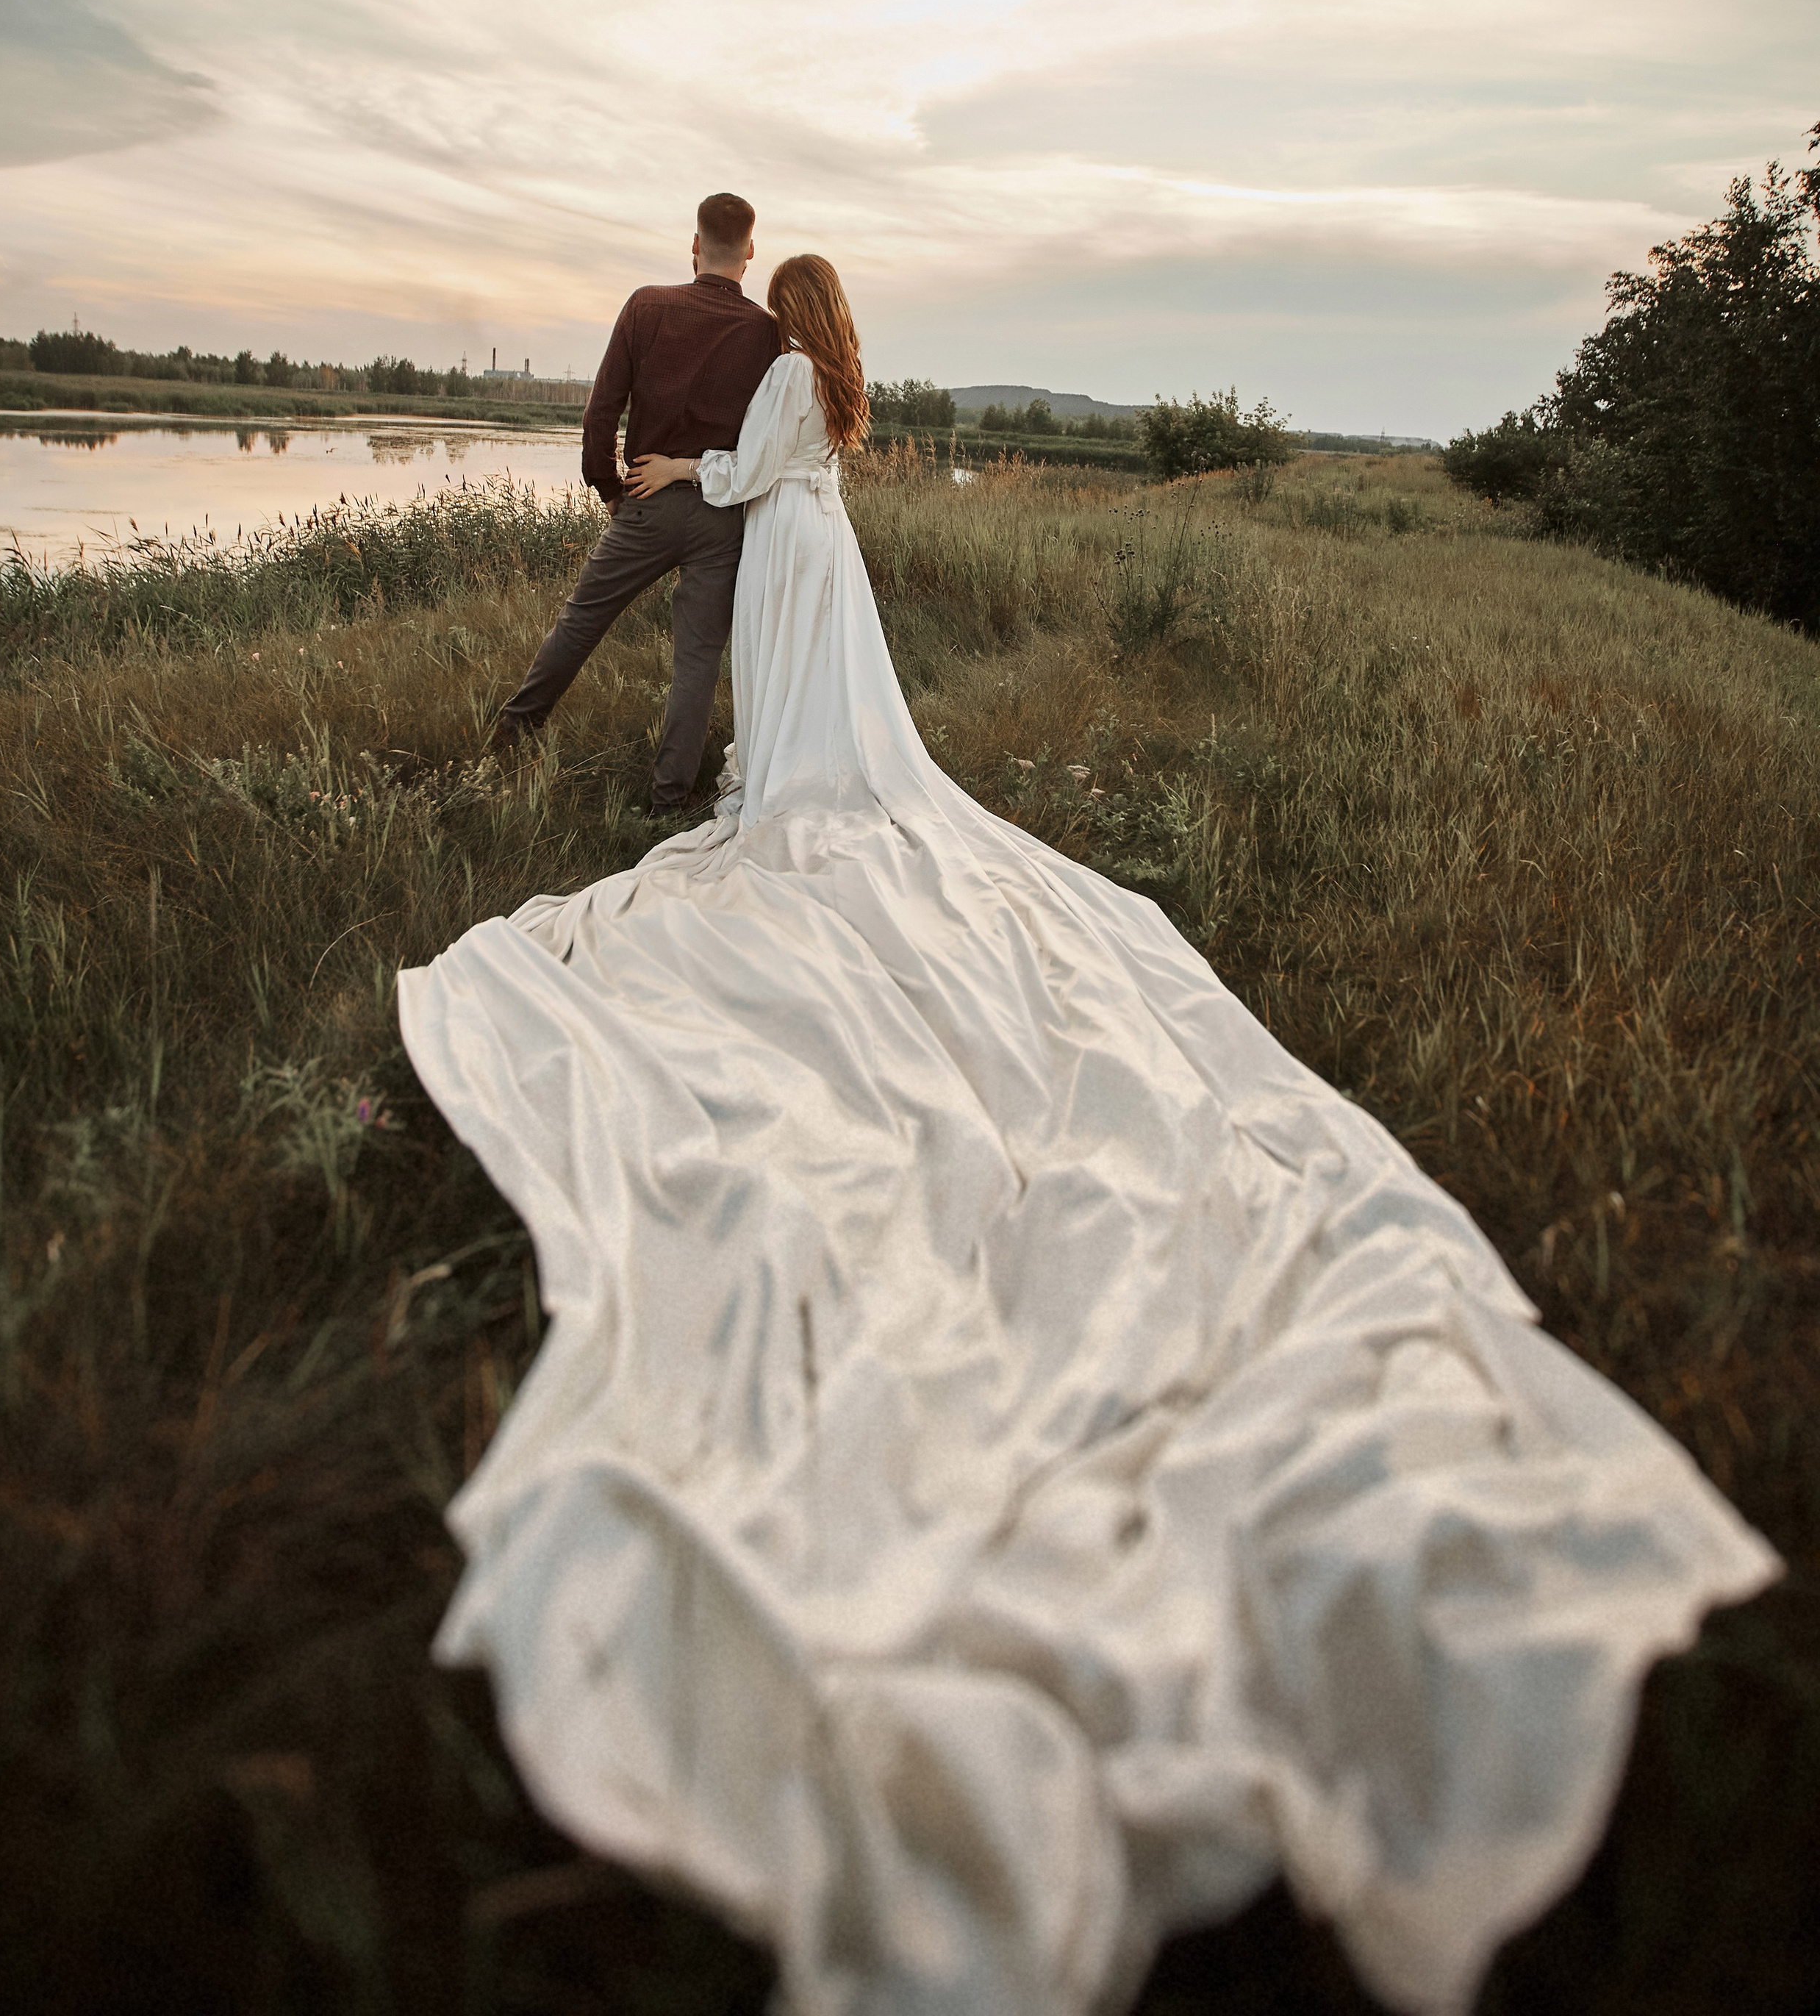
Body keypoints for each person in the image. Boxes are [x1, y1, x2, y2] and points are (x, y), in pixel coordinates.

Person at [400, 257, 1776, 2016]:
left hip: (796, 571)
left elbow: (739, 483)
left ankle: (770, 804)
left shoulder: (769, 392)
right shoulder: (839, 378)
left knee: (818, 802)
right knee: (843, 776)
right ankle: (774, 793)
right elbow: (791, 469)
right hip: (842, 575)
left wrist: (667, 480)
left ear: (784, 302)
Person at [490, 191, 781, 812]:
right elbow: (766, 437)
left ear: (695, 244)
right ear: (750, 253)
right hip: (721, 514)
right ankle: (668, 799)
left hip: (646, 500)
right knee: (698, 657)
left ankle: (513, 734)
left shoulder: (648, 306)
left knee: (582, 619)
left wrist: (610, 491)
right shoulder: (766, 332)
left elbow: (601, 411)